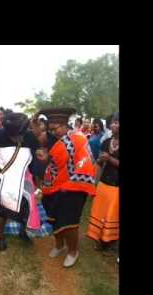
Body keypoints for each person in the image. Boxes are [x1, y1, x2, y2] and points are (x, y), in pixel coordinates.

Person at [0, 110, 46, 251]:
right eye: (12, 135)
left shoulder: (29, 137)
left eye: (18, 135)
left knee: (26, 207)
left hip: (24, 178)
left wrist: (41, 154)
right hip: (5, 178)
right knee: (2, 210)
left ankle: (23, 232)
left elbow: (39, 150)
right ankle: (1, 236)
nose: (15, 138)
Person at [37, 108, 97, 268]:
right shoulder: (60, 139)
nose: (53, 132)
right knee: (54, 217)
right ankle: (59, 245)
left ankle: (72, 251)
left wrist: (69, 186)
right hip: (55, 185)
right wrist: (46, 157)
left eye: (55, 128)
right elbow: (55, 161)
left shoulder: (78, 139)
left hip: (74, 188)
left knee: (69, 221)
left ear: (64, 125)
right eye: (50, 129)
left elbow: (85, 163)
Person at [86, 112, 119, 256]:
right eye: (112, 122)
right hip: (104, 183)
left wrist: (110, 159)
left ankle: (109, 242)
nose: (113, 125)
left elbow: (109, 159)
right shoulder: (106, 142)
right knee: (100, 212)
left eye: (117, 122)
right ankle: (99, 238)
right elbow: (100, 163)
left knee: (112, 215)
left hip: (117, 187)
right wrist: (93, 180)